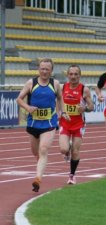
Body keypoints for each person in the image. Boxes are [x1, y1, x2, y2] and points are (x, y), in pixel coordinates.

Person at [16, 58, 67, 192]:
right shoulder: (31, 83)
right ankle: (40, 164)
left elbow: (60, 98)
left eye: (47, 69)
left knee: (43, 149)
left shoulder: (55, 84)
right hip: (33, 123)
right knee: (36, 152)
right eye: (42, 69)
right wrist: (28, 107)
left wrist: (63, 111)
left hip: (49, 122)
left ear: (51, 71)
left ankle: (38, 179)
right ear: (39, 69)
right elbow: (19, 99)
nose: (44, 71)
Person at [59, 65, 94, 184]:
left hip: (79, 125)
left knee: (75, 151)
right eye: (71, 74)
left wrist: (84, 108)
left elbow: (91, 107)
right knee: (63, 149)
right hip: (65, 123)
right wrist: (61, 112)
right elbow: (58, 102)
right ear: (67, 75)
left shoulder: (84, 89)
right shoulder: (62, 87)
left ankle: (72, 175)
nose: (73, 77)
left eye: (76, 74)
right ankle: (67, 151)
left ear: (80, 75)